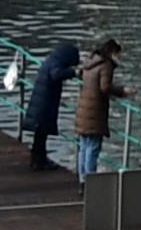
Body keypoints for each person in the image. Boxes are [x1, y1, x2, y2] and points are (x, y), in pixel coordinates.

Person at [21, 39, 82, 170]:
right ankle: (39, 161)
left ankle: (37, 159)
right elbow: (56, 75)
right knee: (41, 133)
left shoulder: (51, 60)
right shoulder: (56, 63)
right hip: (45, 103)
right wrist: (73, 73)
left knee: (40, 134)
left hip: (41, 101)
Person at [74, 36, 127, 178]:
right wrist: (122, 91)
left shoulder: (90, 62)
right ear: (113, 52)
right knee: (93, 148)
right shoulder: (106, 66)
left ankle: (82, 179)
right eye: (118, 54)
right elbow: (105, 87)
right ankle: (90, 181)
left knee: (84, 147)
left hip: (83, 109)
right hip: (95, 112)